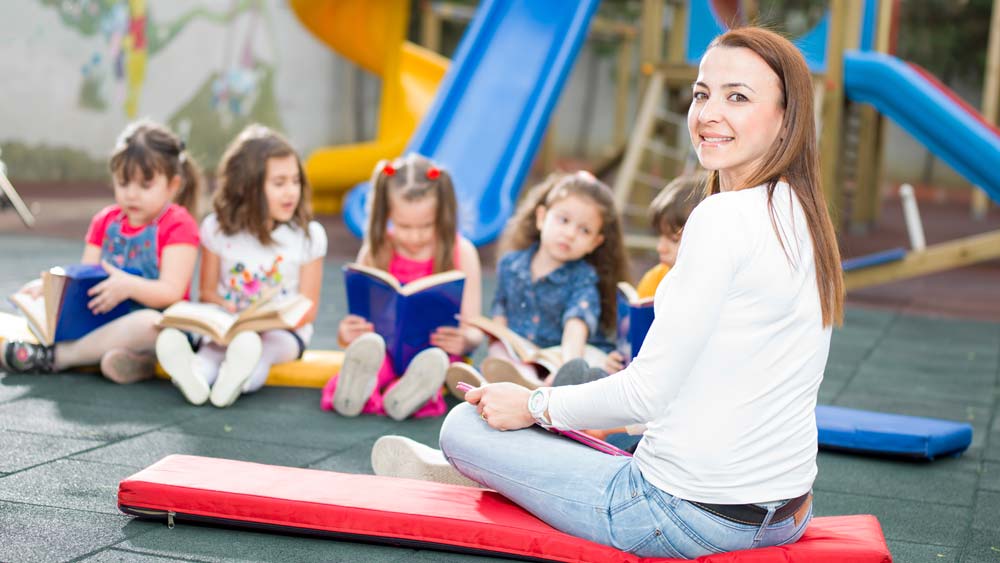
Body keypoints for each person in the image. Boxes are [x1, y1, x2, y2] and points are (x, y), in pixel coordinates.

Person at [376, 27, 844, 559]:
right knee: (576, 401)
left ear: (787, 117)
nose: (709, 113)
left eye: (737, 96)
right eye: (701, 93)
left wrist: (532, 403)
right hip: (786, 512)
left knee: (464, 426)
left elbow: (646, 394)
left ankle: (495, 474)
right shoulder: (800, 213)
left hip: (684, 515)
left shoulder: (721, 218)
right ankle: (522, 473)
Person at [0, 120, 202, 384]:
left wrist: (129, 287)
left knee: (151, 325)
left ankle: (58, 358)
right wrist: (50, 287)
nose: (132, 194)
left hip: (162, 323)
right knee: (49, 307)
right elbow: (85, 277)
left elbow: (171, 292)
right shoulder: (105, 221)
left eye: (145, 185)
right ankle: (136, 362)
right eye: (123, 183)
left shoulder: (178, 224)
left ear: (173, 185)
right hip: (106, 322)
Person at [155, 124, 327, 408]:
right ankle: (193, 375)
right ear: (248, 186)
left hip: (283, 332)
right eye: (279, 183)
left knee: (262, 350)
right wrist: (230, 310)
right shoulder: (218, 230)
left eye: (295, 181)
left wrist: (268, 321)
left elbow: (308, 307)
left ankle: (236, 380)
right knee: (212, 349)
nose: (291, 192)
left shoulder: (308, 236)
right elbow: (207, 292)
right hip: (229, 323)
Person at [321, 154, 484, 421]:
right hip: (385, 349)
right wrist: (346, 333)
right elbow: (360, 320)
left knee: (435, 366)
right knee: (372, 358)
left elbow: (475, 327)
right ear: (387, 215)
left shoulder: (461, 252)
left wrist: (466, 339)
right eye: (404, 226)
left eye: (426, 226)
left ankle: (405, 393)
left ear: (442, 216)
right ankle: (357, 391)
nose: (415, 236)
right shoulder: (376, 251)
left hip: (435, 353)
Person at [448, 171, 629, 394]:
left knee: (593, 363)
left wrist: (567, 366)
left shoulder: (583, 277)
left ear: (595, 242)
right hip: (521, 356)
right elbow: (501, 312)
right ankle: (515, 383)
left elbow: (576, 327)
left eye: (584, 230)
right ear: (542, 218)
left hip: (561, 354)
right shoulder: (511, 265)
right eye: (563, 220)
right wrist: (501, 342)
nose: (570, 234)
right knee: (500, 353)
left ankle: (517, 387)